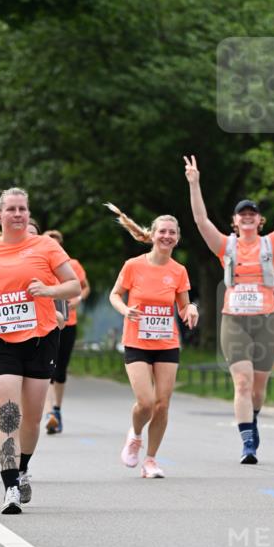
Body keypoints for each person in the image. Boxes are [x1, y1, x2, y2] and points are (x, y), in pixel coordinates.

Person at [0, 187, 79, 513]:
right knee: (8, 414)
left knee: (32, 417)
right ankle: (10, 486)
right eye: (11, 209)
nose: (17, 214)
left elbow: (72, 285)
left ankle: (23, 467)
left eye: (22, 209)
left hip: (41, 339)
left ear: (28, 214)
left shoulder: (46, 246)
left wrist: (48, 290)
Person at [184, 160, 274, 463]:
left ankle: (252, 417)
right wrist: (194, 183)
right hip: (235, 321)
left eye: (253, 214)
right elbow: (201, 221)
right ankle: (247, 441)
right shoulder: (226, 246)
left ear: (261, 220)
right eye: (243, 214)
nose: (248, 218)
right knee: (242, 381)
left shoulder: (273, 244)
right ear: (234, 222)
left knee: (258, 387)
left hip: (267, 319)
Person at [107, 203, 198, 478]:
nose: (167, 236)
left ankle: (151, 459)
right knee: (145, 402)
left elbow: (183, 306)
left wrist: (190, 309)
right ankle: (135, 436)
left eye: (172, 232)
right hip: (136, 341)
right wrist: (126, 310)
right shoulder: (133, 266)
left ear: (177, 237)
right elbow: (114, 295)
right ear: (153, 234)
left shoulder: (179, 270)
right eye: (162, 231)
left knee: (163, 403)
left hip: (167, 343)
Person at [43, 230, 90, 435]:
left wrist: (77, 300)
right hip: (45, 322)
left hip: (68, 323)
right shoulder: (39, 264)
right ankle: (48, 413)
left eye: (56, 243)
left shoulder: (73, 264)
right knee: (46, 368)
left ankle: (57, 410)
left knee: (60, 370)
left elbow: (84, 287)